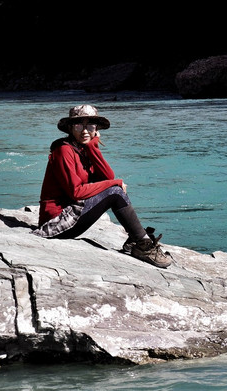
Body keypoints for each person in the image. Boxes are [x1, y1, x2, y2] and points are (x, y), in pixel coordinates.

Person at [33, 104, 172, 268]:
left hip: (71, 214)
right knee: (115, 191)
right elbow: (76, 192)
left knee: (115, 190)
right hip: (55, 223)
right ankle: (142, 245)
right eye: (79, 126)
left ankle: (137, 241)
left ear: (96, 128)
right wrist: (115, 183)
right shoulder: (63, 150)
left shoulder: (83, 149)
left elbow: (107, 176)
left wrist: (93, 146)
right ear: (70, 128)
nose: (85, 131)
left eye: (90, 126)